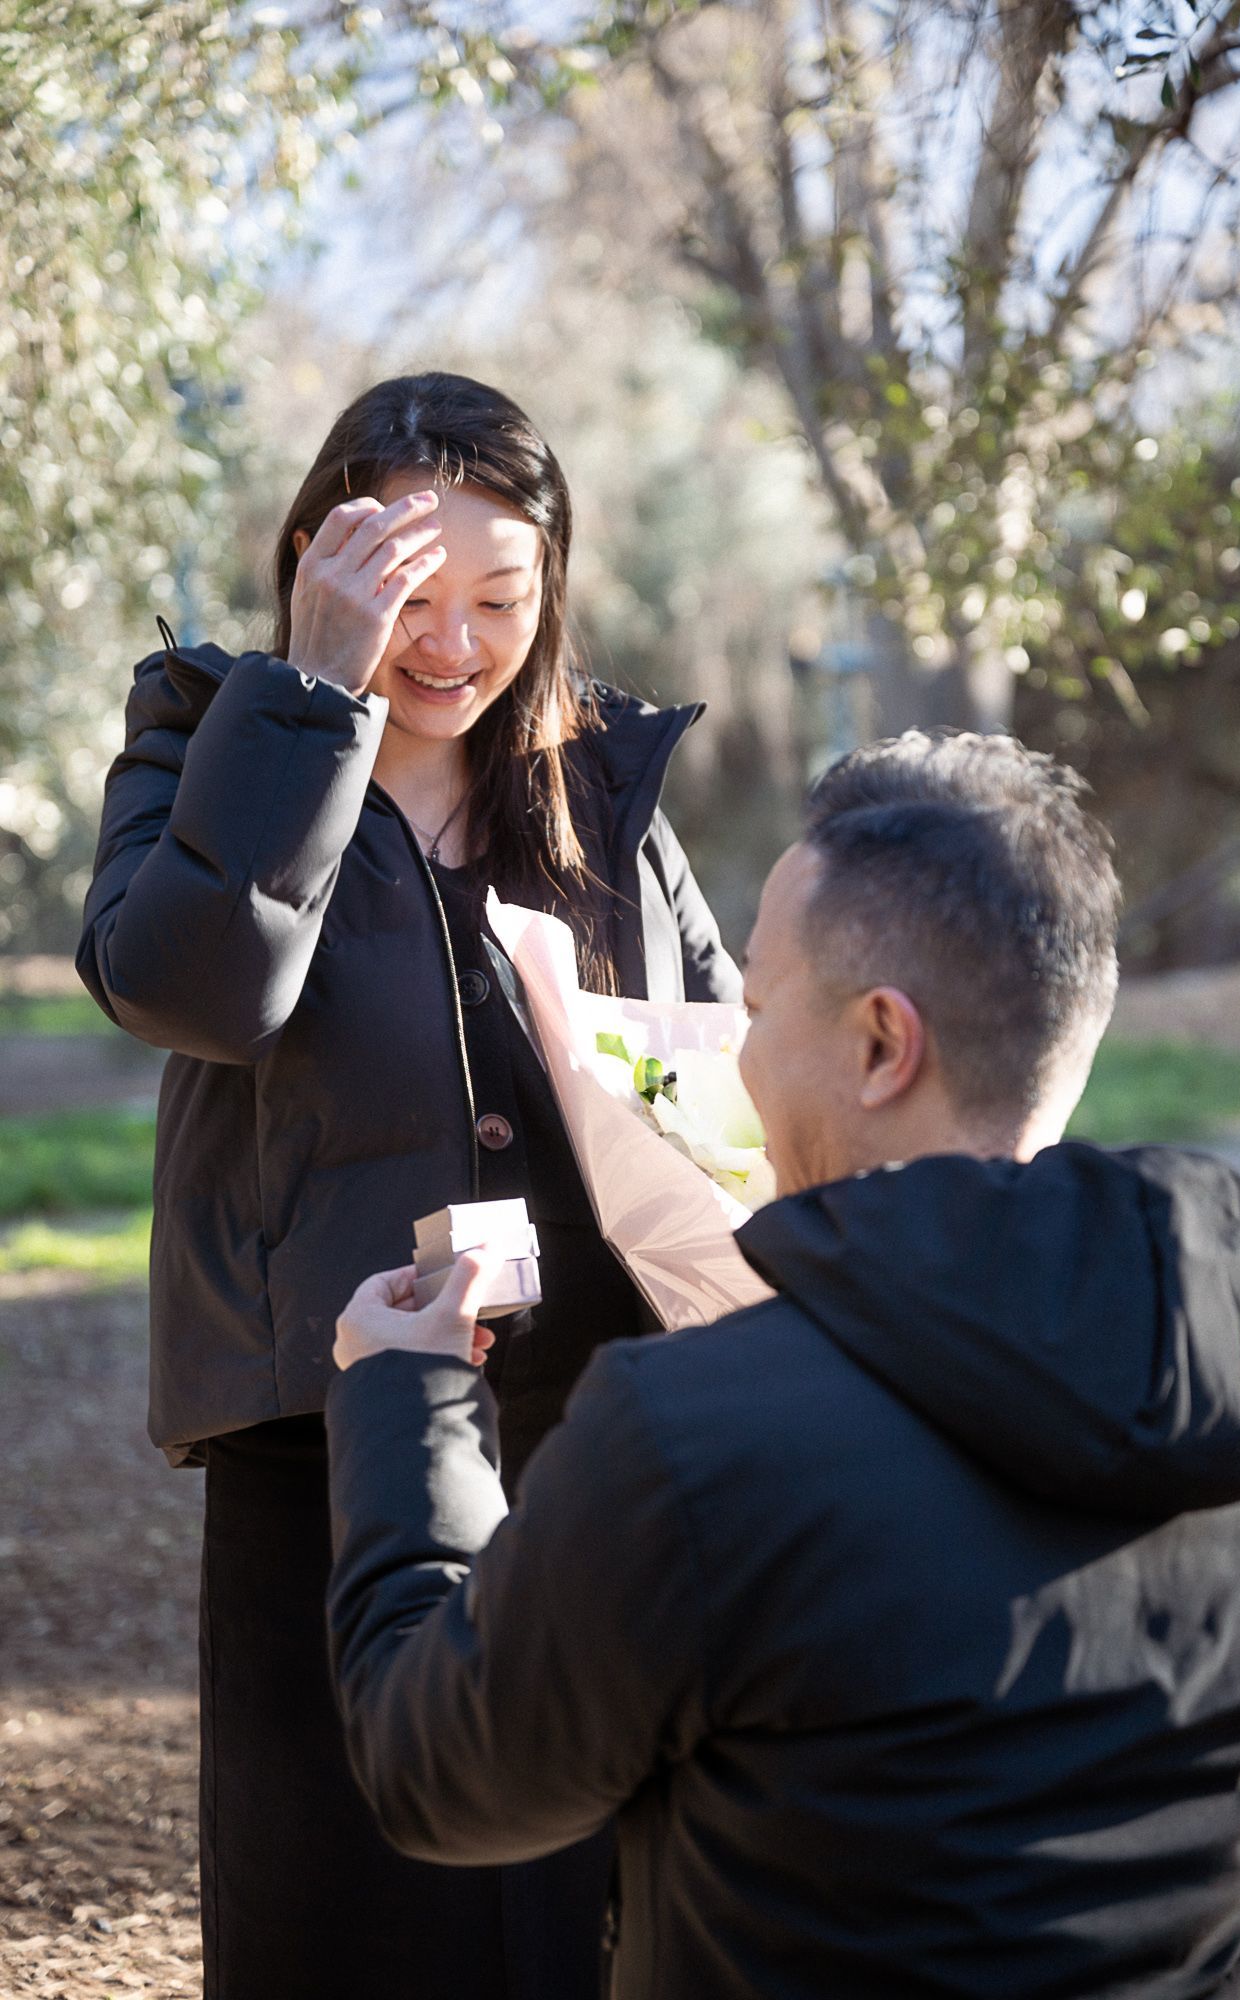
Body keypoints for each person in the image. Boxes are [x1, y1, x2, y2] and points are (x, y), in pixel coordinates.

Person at [326, 730, 1240, 2000]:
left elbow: (439, 1770)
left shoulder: (701, 1441)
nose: (734, 1057)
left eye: (750, 1006)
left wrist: (407, 1399)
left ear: (879, 1043)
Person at [75, 372, 740, 2000]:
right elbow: (191, 988)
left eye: (500, 600)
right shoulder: (203, 734)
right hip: (328, 1442)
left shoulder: (605, 792)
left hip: (597, 1437)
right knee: (346, 1907)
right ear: (315, 558)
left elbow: (714, 1076)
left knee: (589, 1906)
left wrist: (632, 1077)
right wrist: (313, 694)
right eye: (406, 596)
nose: (451, 643)